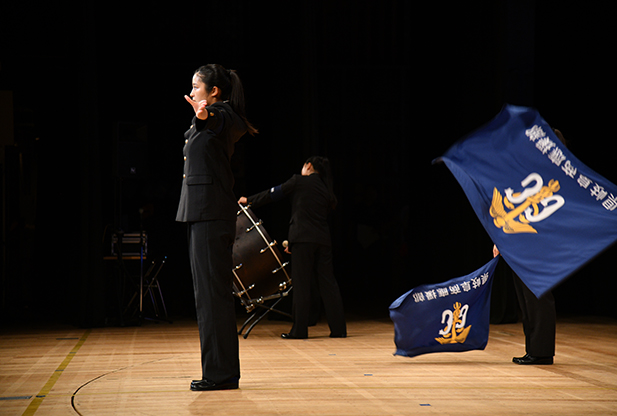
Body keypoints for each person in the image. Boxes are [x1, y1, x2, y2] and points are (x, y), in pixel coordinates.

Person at [176, 64, 258, 391]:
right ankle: (218, 371)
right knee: (207, 296)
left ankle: (220, 374)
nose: (193, 91)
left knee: (213, 296)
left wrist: (204, 116)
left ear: (214, 92)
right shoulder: (212, 116)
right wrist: (201, 118)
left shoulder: (223, 115)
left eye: (197, 87)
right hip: (203, 212)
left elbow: (215, 123)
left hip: (211, 213)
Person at [238, 156, 347, 339]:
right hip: (323, 240)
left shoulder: (298, 181)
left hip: (302, 239)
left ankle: (300, 331)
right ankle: (339, 329)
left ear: (308, 166)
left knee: (302, 284)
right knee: (329, 284)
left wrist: (248, 200)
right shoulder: (325, 189)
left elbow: (273, 194)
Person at [489, 128, 565, 366]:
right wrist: (501, 239)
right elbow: (516, 207)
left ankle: (541, 351)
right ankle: (534, 348)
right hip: (522, 239)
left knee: (537, 294)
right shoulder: (533, 173)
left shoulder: (558, 175)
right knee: (525, 296)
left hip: (541, 241)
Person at [492, 245, 555, 364]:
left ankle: (542, 353)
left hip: (534, 246)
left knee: (537, 298)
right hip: (522, 249)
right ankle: (534, 351)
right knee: (527, 300)